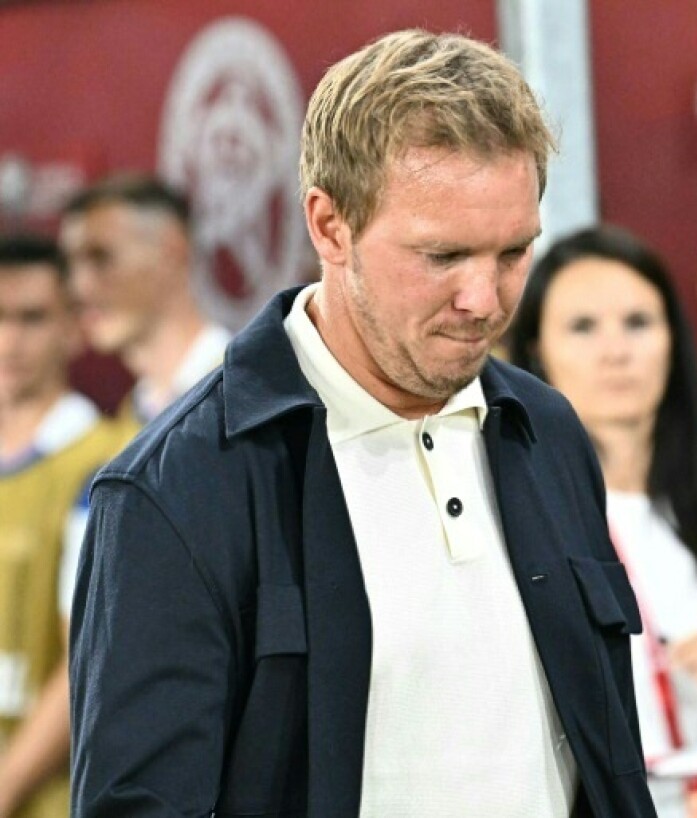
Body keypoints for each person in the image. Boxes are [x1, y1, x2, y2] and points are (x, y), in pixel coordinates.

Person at [69, 30, 655, 817]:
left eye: (513, 252)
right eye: (442, 257)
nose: (483, 300)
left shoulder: (545, 430)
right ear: (329, 225)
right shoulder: (179, 490)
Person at [506, 225, 697, 818]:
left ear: (673, 340)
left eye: (638, 323)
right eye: (583, 327)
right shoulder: (512, 516)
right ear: (536, 351)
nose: (616, 351)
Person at [0, 235, 128, 818]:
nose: (9, 341)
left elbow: (91, 660)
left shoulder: (106, 465)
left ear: (74, 327)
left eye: (31, 318)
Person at [58, 173, 231, 428]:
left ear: (172, 253)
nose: (79, 286)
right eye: (70, 265)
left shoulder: (247, 391)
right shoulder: (130, 420)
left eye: (101, 257)